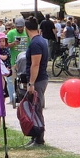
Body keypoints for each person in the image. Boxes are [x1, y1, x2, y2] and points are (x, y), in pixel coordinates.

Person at [24, 16, 49, 147]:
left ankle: (39, 138)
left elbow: (35, 65)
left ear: (26, 29)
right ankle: (35, 136)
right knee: (35, 108)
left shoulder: (35, 43)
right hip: (41, 78)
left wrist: (31, 83)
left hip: (38, 80)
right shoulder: (41, 40)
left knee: (37, 108)